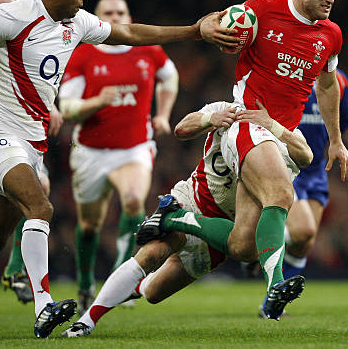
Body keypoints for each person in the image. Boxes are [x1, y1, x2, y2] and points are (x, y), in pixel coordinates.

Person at [0, 0, 238, 338]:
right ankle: (43, 305)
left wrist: (193, 31)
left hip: (34, 141)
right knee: (40, 206)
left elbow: (131, 34)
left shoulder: (76, 23)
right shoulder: (12, 15)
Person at [136, 0, 348, 321]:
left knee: (243, 245)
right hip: (248, 121)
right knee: (281, 195)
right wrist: (212, 29)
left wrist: (336, 139)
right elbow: (220, 24)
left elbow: (328, 86)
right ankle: (276, 287)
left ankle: (174, 219)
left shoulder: (331, 35)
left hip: (282, 135)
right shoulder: (260, 12)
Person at [62, 100, 312, 337]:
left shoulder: (285, 131)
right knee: (151, 254)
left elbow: (306, 155)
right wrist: (210, 118)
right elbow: (181, 128)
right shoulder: (228, 108)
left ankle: (141, 273)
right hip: (195, 198)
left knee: (153, 293)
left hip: (223, 230)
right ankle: (86, 322)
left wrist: (274, 126)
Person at [58, 0, 180, 313]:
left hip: (134, 147)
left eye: (121, 11)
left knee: (133, 202)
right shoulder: (83, 55)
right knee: (88, 226)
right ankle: (85, 281)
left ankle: (119, 277)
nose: (115, 17)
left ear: (129, 15)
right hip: (91, 151)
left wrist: (163, 114)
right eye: (108, 12)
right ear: (97, 19)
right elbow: (67, 108)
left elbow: (170, 76)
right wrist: (98, 102)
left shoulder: (148, 50)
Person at [0, 0, 63, 304]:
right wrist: (17, 87)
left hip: (14, 135)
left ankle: (16, 270)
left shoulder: (27, 45)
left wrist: (47, 102)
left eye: (12, 9)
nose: (7, 17)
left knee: (38, 190)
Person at [261, 69, 348, 295]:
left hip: (317, 171)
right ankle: (258, 242)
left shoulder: (339, 81)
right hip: (287, 165)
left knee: (304, 244)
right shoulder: (287, 73)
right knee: (303, 230)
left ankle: (274, 299)